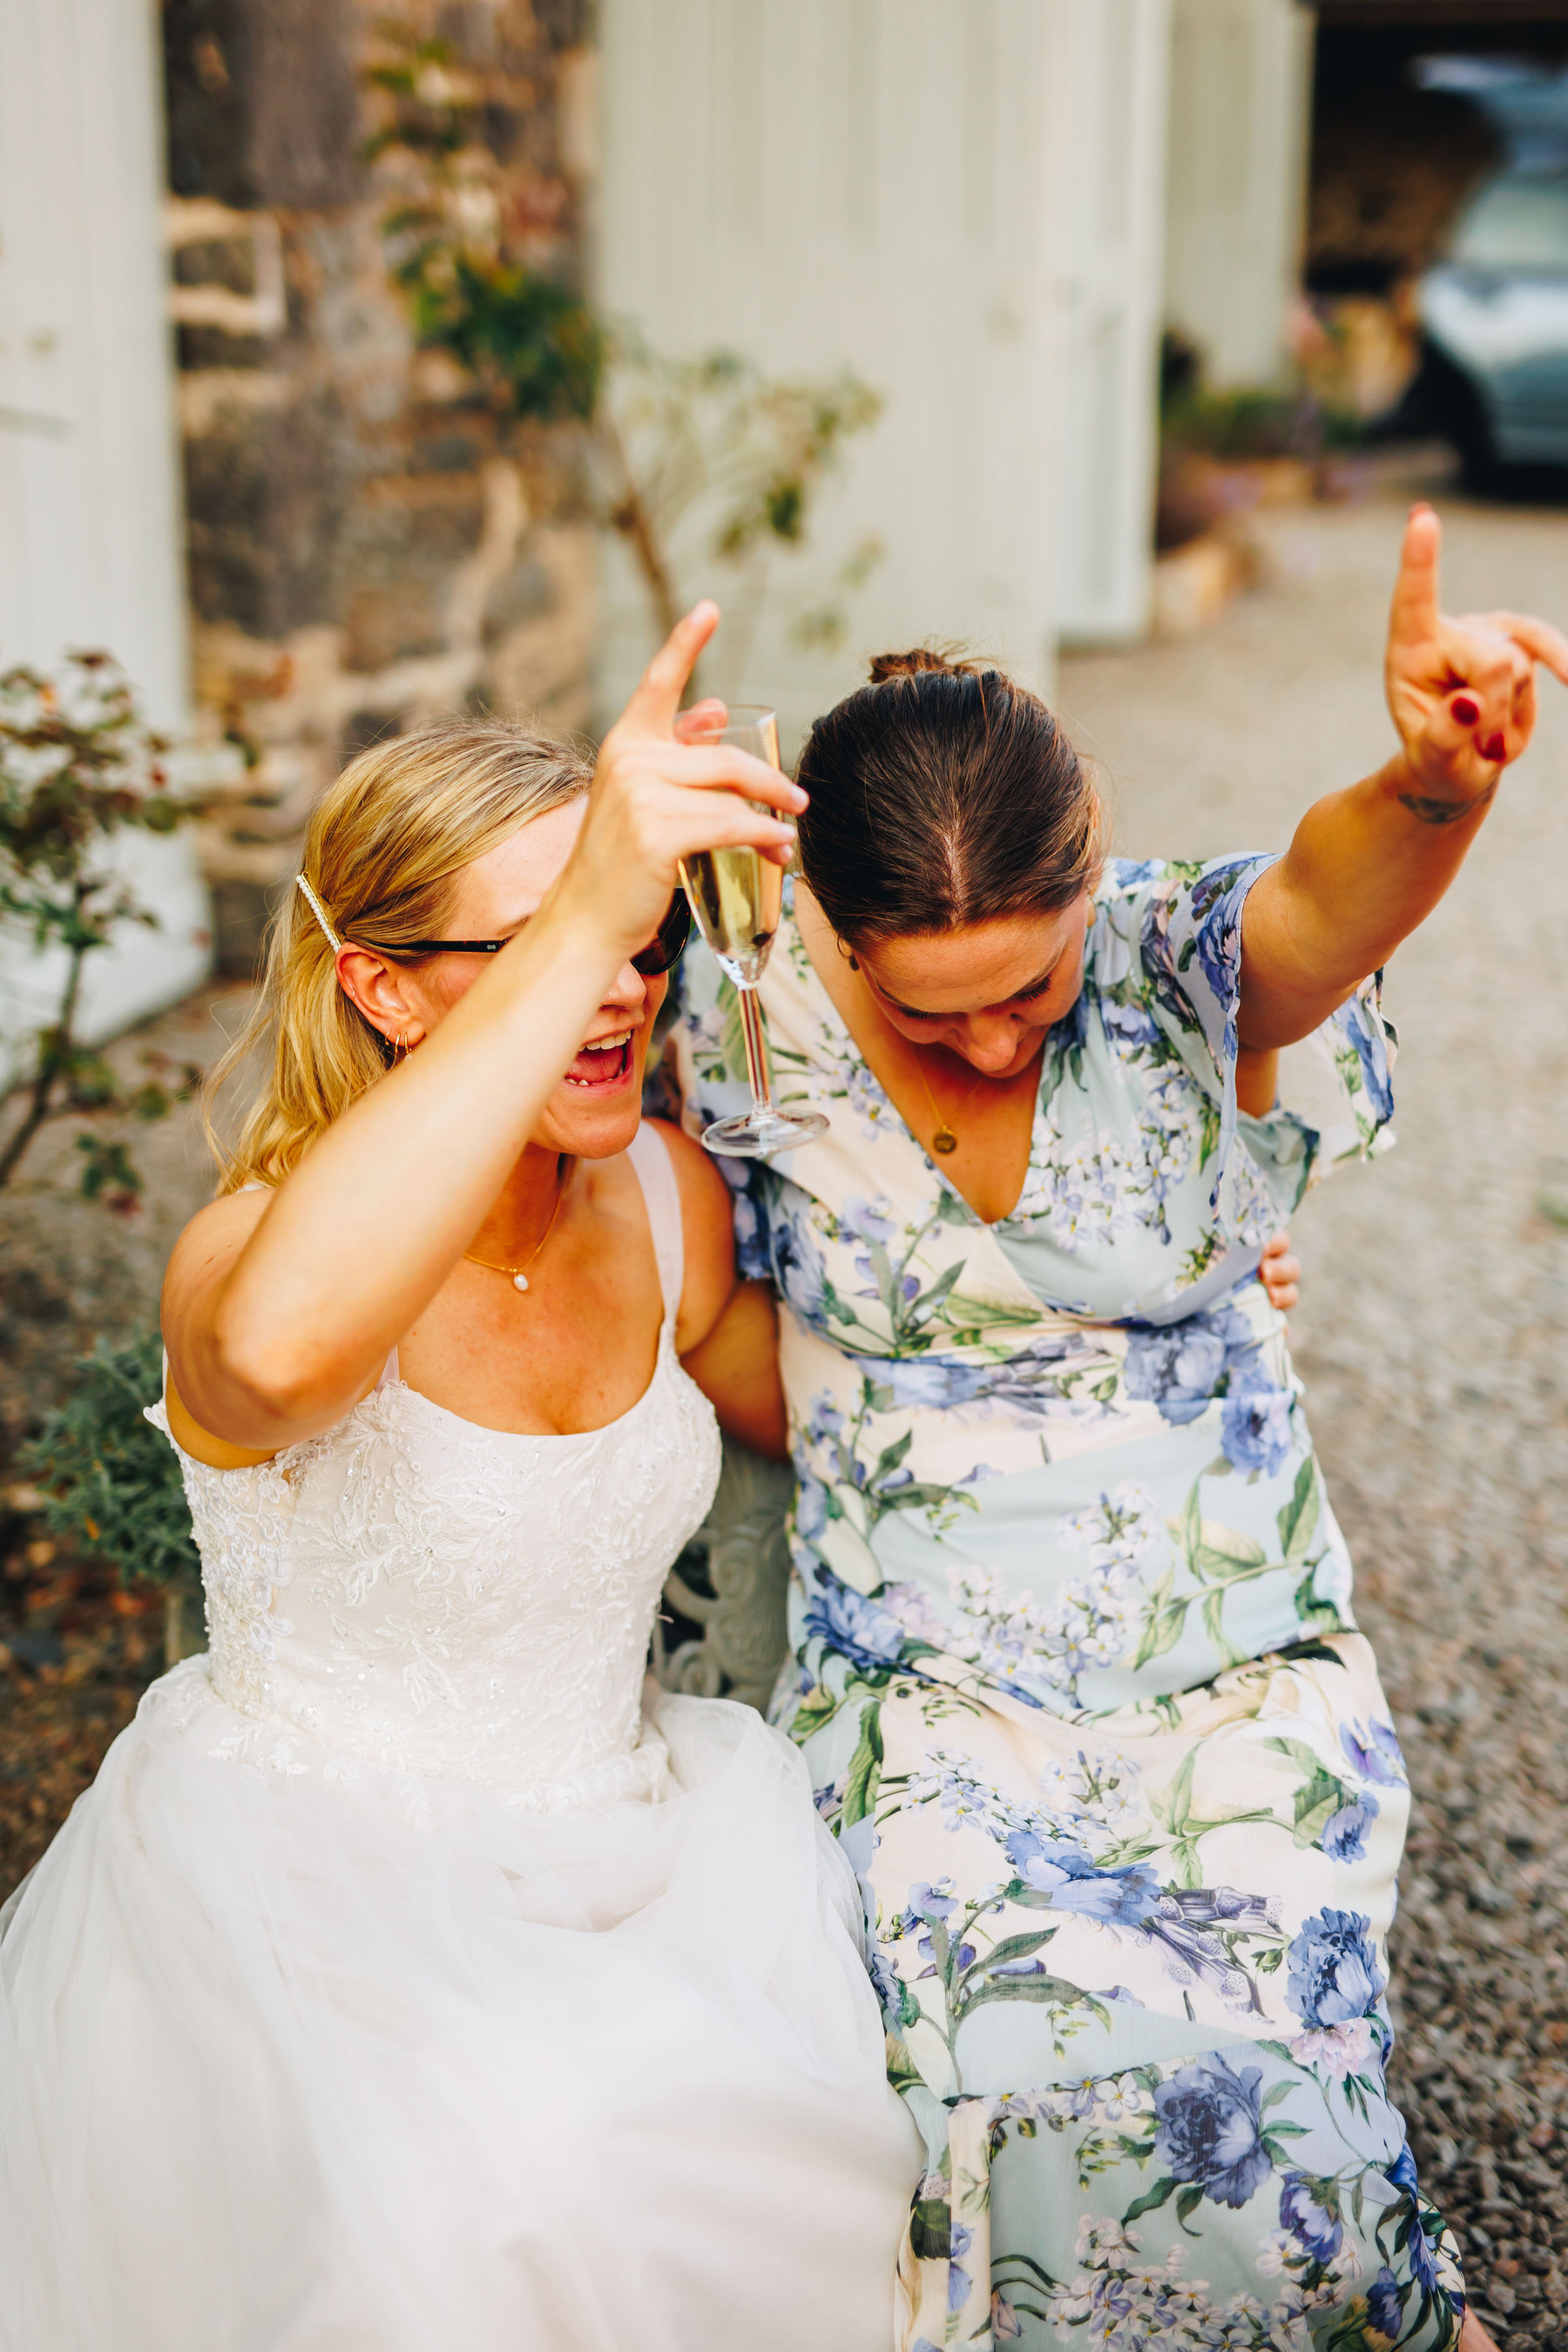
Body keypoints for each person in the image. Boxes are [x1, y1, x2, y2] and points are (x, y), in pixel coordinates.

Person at [669, 506, 1565, 2349]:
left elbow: (1319, 900)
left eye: (1035, 982)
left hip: (1230, 1667)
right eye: (943, 1016)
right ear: (834, 934)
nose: (1002, 1042)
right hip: (928, 1689)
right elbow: (688, 1285)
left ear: (1100, 885)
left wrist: (1429, 785)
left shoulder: (1168, 962)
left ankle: (1370, 2303)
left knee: (1259, 2038)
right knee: (993, 2036)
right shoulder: (741, 1027)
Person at [0, 613, 923, 2352]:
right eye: (540, 950)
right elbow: (270, 1369)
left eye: (638, 944)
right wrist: (581, 914)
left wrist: (1157, 1308)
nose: (620, 994)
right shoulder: (253, 1250)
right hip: (302, 1900)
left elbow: (864, 1419)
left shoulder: (663, 1194)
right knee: (500, 2187)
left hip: (648, 1857)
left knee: (819, 2151)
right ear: (385, 984)